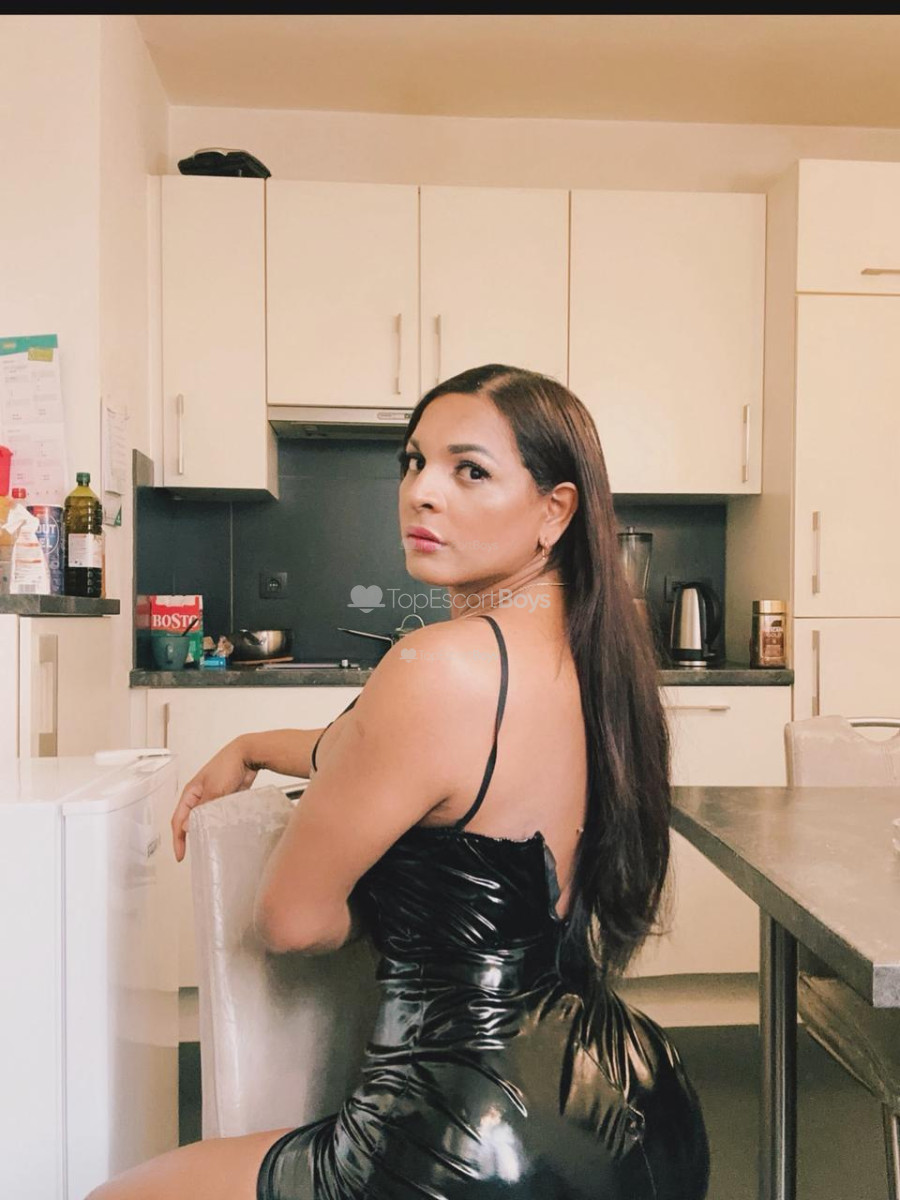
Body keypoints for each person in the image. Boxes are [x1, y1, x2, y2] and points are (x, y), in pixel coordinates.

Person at [88, 364, 710, 1200]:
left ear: (553, 511)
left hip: (470, 1139)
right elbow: (382, 754)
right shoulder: (595, 653)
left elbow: (292, 921)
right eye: (413, 461)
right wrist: (254, 745)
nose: (422, 491)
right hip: (637, 1103)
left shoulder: (435, 666)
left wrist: (398, 914)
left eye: (469, 470)